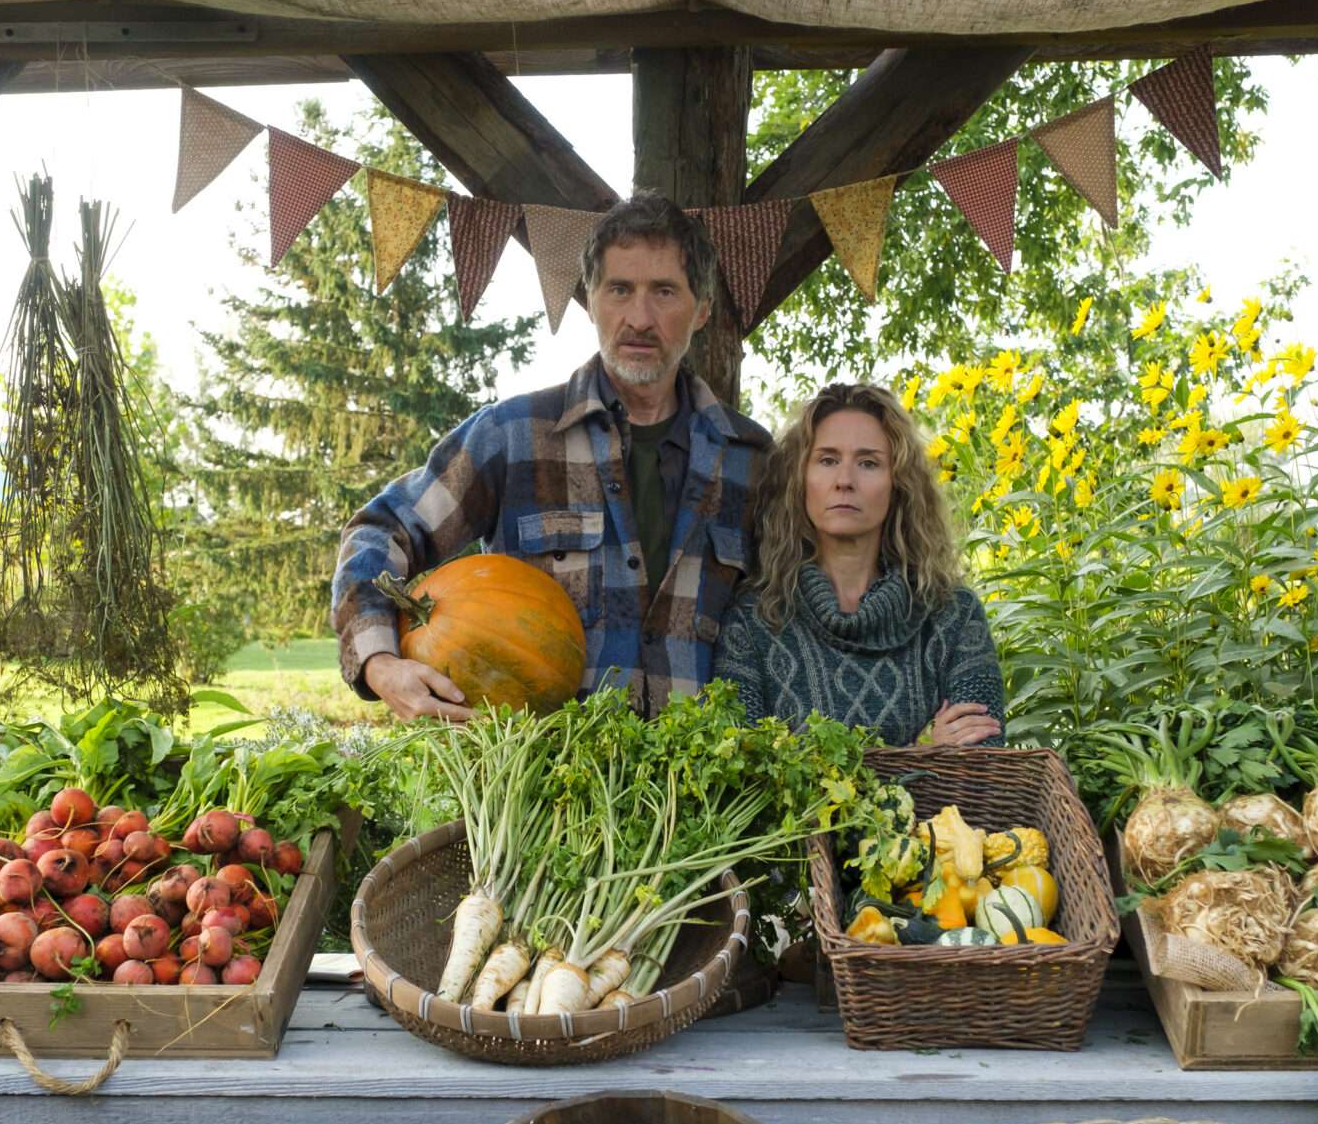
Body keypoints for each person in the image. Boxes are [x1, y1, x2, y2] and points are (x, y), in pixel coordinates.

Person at [331, 191, 772, 720]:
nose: (640, 317)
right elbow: (380, 530)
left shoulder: (752, 459)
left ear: (701, 309)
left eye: (664, 292)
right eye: (620, 289)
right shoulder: (512, 436)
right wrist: (379, 661)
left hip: (707, 788)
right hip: (543, 788)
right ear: (591, 297)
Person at [713, 381, 1006, 747]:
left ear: (898, 482)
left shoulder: (953, 617)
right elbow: (745, 777)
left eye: (868, 463)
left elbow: (983, 760)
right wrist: (923, 752)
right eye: (828, 460)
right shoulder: (754, 620)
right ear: (799, 478)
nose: (845, 481)